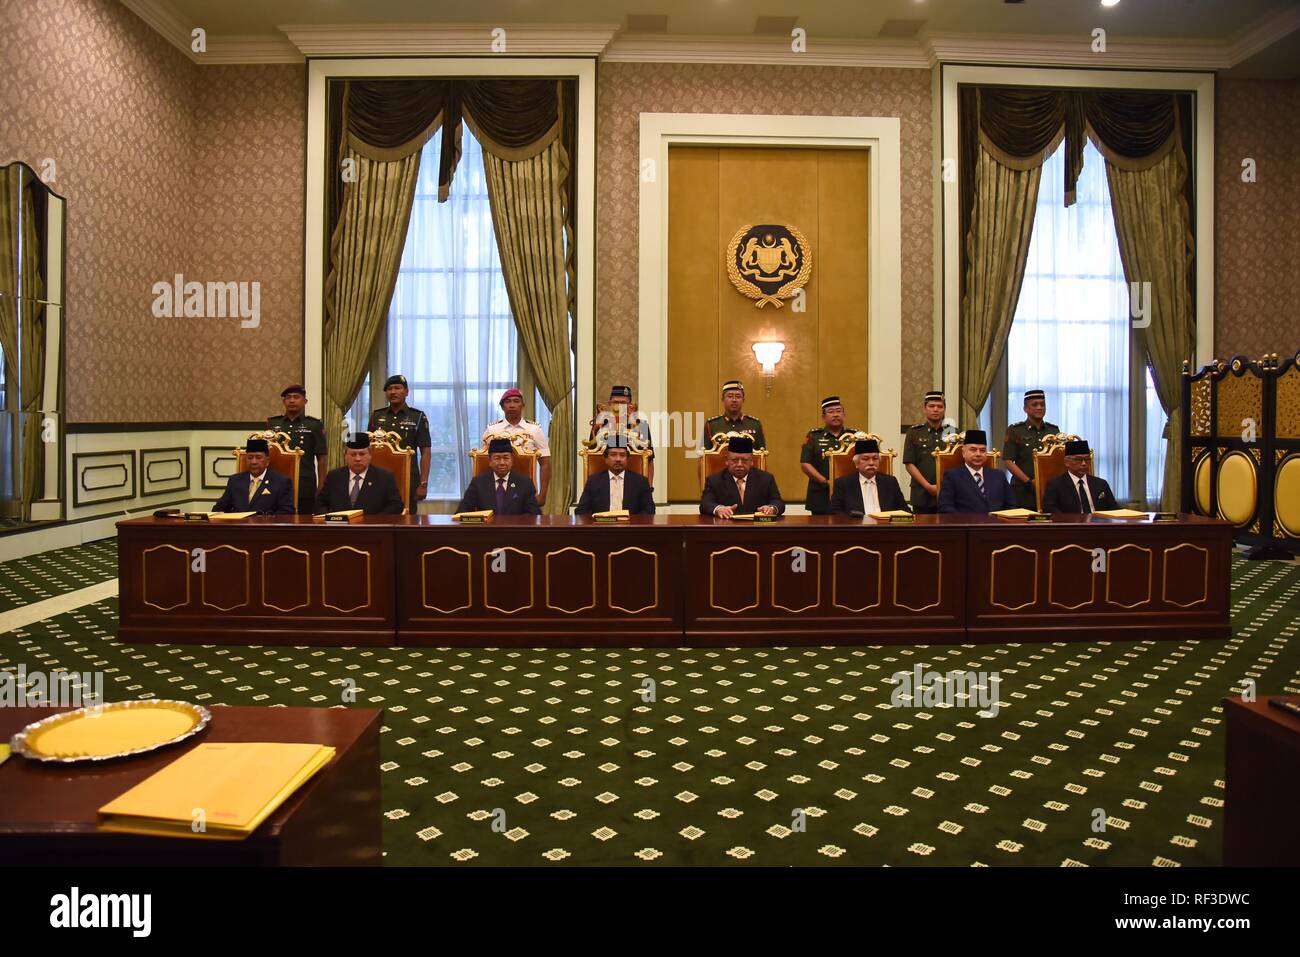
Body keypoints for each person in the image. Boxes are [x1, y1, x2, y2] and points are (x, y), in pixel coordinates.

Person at [367, 374, 432, 509]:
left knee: (407, 517)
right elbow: (369, 448)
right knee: (377, 515)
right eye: (389, 389)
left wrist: (423, 484)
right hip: (379, 477)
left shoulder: (418, 416)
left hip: (408, 477)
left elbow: (425, 452)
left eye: (397, 388)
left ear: (406, 392)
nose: (393, 392)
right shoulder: (377, 416)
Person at [482, 387, 550, 507]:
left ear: (523, 405)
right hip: (498, 488)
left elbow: (545, 463)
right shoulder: (492, 430)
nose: (512, 405)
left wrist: (542, 495)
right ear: (502, 407)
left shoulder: (534, 430)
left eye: (516, 401)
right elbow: (483, 461)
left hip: (526, 490)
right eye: (508, 402)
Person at [267, 384, 328, 514]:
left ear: (304, 401)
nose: (292, 400)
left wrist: (322, 484)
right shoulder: (273, 424)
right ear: (284, 402)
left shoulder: (314, 425)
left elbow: (321, 457)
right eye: (288, 397)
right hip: (276, 480)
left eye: (296, 397)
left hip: (304, 481)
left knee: (304, 519)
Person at [316, 435, 404, 515]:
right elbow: (319, 504)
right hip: (339, 528)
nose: (358, 459)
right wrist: (330, 518)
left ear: (370, 455)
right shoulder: (334, 476)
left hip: (372, 528)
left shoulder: (384, 477)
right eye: (353, 454)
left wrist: (375, 520)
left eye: (362, 454)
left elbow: (396, 505)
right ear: (345, 456)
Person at [701, 435, 784, 518]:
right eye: (734, 460)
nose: (739, 465)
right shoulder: (714, 480)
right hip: (727, 527)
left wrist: (771, 508)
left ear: (751, 461)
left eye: (744, 460)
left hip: (757, 527)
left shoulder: (766, 479)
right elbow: (705, 504)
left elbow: (778, 502)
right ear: (727, 460)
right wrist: (719, 509)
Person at [800, 395, 857, 515]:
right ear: (823, 417)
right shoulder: (814, 436)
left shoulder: (855, 436)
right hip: (821, 492)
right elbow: (805, 464)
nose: (835, 414)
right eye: (831, 412)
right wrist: (824, 481)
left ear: (844, 415)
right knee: (819, 531)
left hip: (850, 493)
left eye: (839, 411)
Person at [1003, 389, 1060, 510]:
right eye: (1035, 404)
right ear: (1025, 409)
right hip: (1023, 488)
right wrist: (1029, 482)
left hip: (1048, 488)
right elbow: (1008, 461)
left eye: (1042, 404)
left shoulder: (1053, 430)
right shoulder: (1015, 430)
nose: (1040, 407)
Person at [588, 384, 654, 488]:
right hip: (605, 483)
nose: (619, 406)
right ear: (609, 404)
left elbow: (649, 460)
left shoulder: (641, 426)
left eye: (623, 403)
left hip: (634, 484)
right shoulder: (600, 425)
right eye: (615, 402)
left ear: (630, 405)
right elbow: (591, 459)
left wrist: (649, 488)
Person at [456, 437, 541, 516]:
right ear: (490, 461)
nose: (502, 463)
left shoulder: (525, 483)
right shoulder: (478, 483)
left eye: (506, 458)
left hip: (515, 530)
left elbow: (534, 515)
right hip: (486, 529)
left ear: (512, 460)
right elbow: (462, 512)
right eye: (497, 458)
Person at [574, 435, 655, 516]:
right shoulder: (593, 481)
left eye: (622, 455)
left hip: (630, 526)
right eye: (613, 455)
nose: (618, 459)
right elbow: (581, 511)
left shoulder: (640, 481)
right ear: (605, 459)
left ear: (627, 459)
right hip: (601, 526)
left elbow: (649, 511)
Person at [937, 429, 1013, 513]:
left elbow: (1011, 506)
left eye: (982, 450)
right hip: (967, 524)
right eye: (973, 450)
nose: (978, 454)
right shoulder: (952, 476)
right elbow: (945, 507)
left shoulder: (998, 475)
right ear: (963, 453)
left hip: (997, 524)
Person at [213, 438, 294, 515]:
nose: (253, 462)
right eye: (250, 457)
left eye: (258, 457)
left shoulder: (281, 482)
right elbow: (218, 509)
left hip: (265, 527)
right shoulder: (235, 480)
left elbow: (287, 512)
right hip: (239, 527)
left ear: (267, 461)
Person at [829, 438, 909, 515]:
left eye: (875, 458)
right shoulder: (844, 483)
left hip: (884, 526)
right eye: (865, 459)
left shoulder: (890, 482)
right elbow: (834, 511)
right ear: (857, 463)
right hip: (856, 526)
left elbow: (904, 510)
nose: (871, 463)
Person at [1042, 439, 1119, 514]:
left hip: (1099, 524)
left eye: (1087, 459)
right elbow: (1049, 509)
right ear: (1066, 462)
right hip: (1072, 525)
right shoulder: (1055, 485)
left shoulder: (1101, 483)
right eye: (1079, 460)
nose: (1084, 463)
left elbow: (1114, 509)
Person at [903, 390, 948, 514]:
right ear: (924, 408)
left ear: (944, 409)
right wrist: (928, 486)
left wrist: (942, 487)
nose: (935, 410)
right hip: (922, 494)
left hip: (948, 492)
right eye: (931, 406)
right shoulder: (914, 432)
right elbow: (909, 464)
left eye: (940, 406)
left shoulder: (953, 433)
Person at [701, 380, 766, 451]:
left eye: (738, 396)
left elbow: (761, 454)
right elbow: (704, 454)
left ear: (743, 400)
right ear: (723, 399)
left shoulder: (754, 424)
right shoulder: (712, 425)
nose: (734, 400)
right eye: (730, 396)